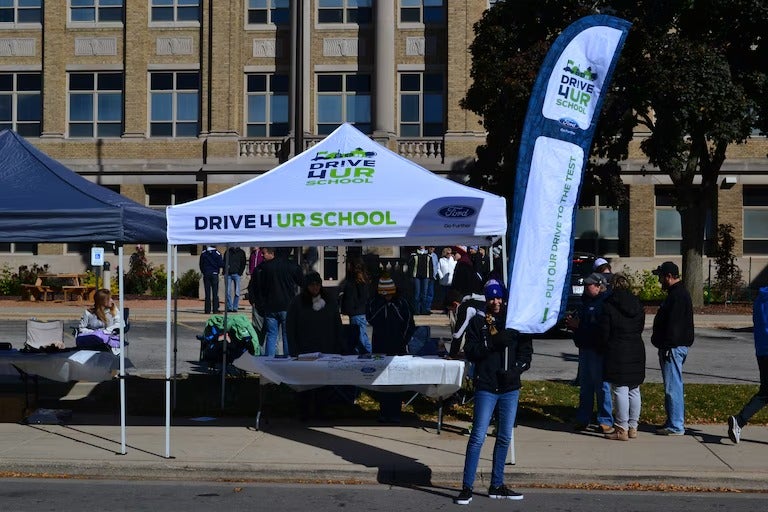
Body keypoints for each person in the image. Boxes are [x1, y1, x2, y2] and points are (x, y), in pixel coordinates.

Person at [455, 279, 532, 504]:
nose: (496, 302)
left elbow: (526, 354)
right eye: (491, 298)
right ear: (486, 299)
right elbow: (470, 350)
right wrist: (491, 344)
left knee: (504, 436)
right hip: (487, 386)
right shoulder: (479, 321)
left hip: (509, 387)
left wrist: (516, 370)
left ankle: (497, 484)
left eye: (499, 298)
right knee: (478, 436)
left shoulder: (515, 322)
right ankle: (467, 486)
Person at [286, 271, 344, 420]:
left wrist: (338, 345)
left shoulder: (329, 301)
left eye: (317, 284)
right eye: (312, 285)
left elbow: (337, 324)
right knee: (305, 384)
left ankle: (321, 410)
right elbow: (290, 327)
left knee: (323, 383)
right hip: (304, 350)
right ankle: (303, 411)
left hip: (326, 348)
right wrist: (294, 349)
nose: (315, 288)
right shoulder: (297, 302)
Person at [598, 273, 646, 441]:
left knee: (620, 389)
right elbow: (640, 326)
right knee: (634, 389)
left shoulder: (608, 305)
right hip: (636, 347)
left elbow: (605, 331)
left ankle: (621, 428)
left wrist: (603, 345)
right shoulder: (638, 304)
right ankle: (633, 427)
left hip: (617, 348)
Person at [565, 272, 614, 434]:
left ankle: (605, 419)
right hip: (584, 348)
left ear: (599, 286)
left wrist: (579, 325)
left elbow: (601, 329)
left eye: (589, 285)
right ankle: (583, 418)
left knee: (601, 386)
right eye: (585, 285)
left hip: (598, 349)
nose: (586, 287)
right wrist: (574, 326)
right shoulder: (585, 302)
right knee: (585, 386)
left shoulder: (605, 302)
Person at [651, 261, 694, 436]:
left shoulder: (677, 296)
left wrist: (667, 345)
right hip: (673, 346)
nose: (659, 280)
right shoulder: (676, 294)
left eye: (661, 276)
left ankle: (676, 425)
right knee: (672, 385)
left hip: (673, 348)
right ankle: (672, 421)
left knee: (673, 386)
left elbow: (674, 326)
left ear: (669, 276)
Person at [366, 275, 415, 423]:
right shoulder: (375, 302)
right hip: (380, 344)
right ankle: (384, 410)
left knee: (396, 379)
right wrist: (383, 305)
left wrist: (403, 341)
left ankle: (395, 411)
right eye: (384, 294)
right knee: (382, 379)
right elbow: (371, 318)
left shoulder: (401, 302)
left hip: (397, 345)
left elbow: (408, 322)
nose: (387, 297)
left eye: (389, 294)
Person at [728, 286, 768, 444]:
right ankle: (739, 420)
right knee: (765, 392)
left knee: (765, 392)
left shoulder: (760, 299)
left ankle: (739, 420)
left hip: (762, 350)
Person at [257, 246, 304, 357]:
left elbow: (261, 286)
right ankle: (288, 361)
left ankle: (269, 361)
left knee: (271, 335)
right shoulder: (292, 266)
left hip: (270, 305)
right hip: (287, 305)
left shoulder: (266, 267)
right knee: (287, 335)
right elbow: (302, 282)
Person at [339, 257, 372, 354]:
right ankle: (368, 353)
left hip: (357, 312)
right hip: (355, 312)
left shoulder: (358, 279)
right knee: (362, 335)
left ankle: (366, 353)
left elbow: (363, 296)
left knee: (360, 336)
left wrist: (354, 307)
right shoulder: (353, 278)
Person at [75, 288, 126, 352]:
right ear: (101, 301)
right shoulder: (88, 313)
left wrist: (106, 331)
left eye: (111, 298)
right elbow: (81, 328)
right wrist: (95, 333)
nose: (112, 300)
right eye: (108, 299)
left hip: (109, 345)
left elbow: (121, 323)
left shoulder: (113, 310)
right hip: (92, 342)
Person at [408, 246, 434, 315]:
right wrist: (411, 276)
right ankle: (416, 310)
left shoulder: (428, 255)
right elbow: (410, 266)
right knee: (417, 294)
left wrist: (431, 277)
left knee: (424, 294)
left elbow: (431, 267)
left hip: (426, 276)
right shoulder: (414, 254)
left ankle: (424, 310)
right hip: (416, 276)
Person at [199, 245, 224, 314]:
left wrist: (204, 271)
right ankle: (215, 309)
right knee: (215, 293)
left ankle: (207, 310)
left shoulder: (204, 253)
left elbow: (201, 264)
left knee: (207, 293)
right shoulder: (217, 253)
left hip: (206, 274)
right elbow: (221, 264)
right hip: (214, 273)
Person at [224, 246, 247, 312]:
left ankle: (235, 307)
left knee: (237, 292)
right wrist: (225, 271)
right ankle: (229, 307)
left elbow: (243, 263)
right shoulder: (227, 252)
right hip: (228, 274)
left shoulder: (241, 252)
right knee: (227, 292)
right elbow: (224, 261)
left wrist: (240, 272)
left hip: (237, 274)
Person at [435, 246, 455, 311]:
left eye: (450, 253)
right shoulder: (441, 260)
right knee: (443, 296)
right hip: (443, 281)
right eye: (447, 253)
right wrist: (441, 277)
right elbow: (438, 269)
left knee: (451, 296)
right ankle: (444, 308)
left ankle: (450, 309)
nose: (449, 254)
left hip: (451, 281)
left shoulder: (453, 260)